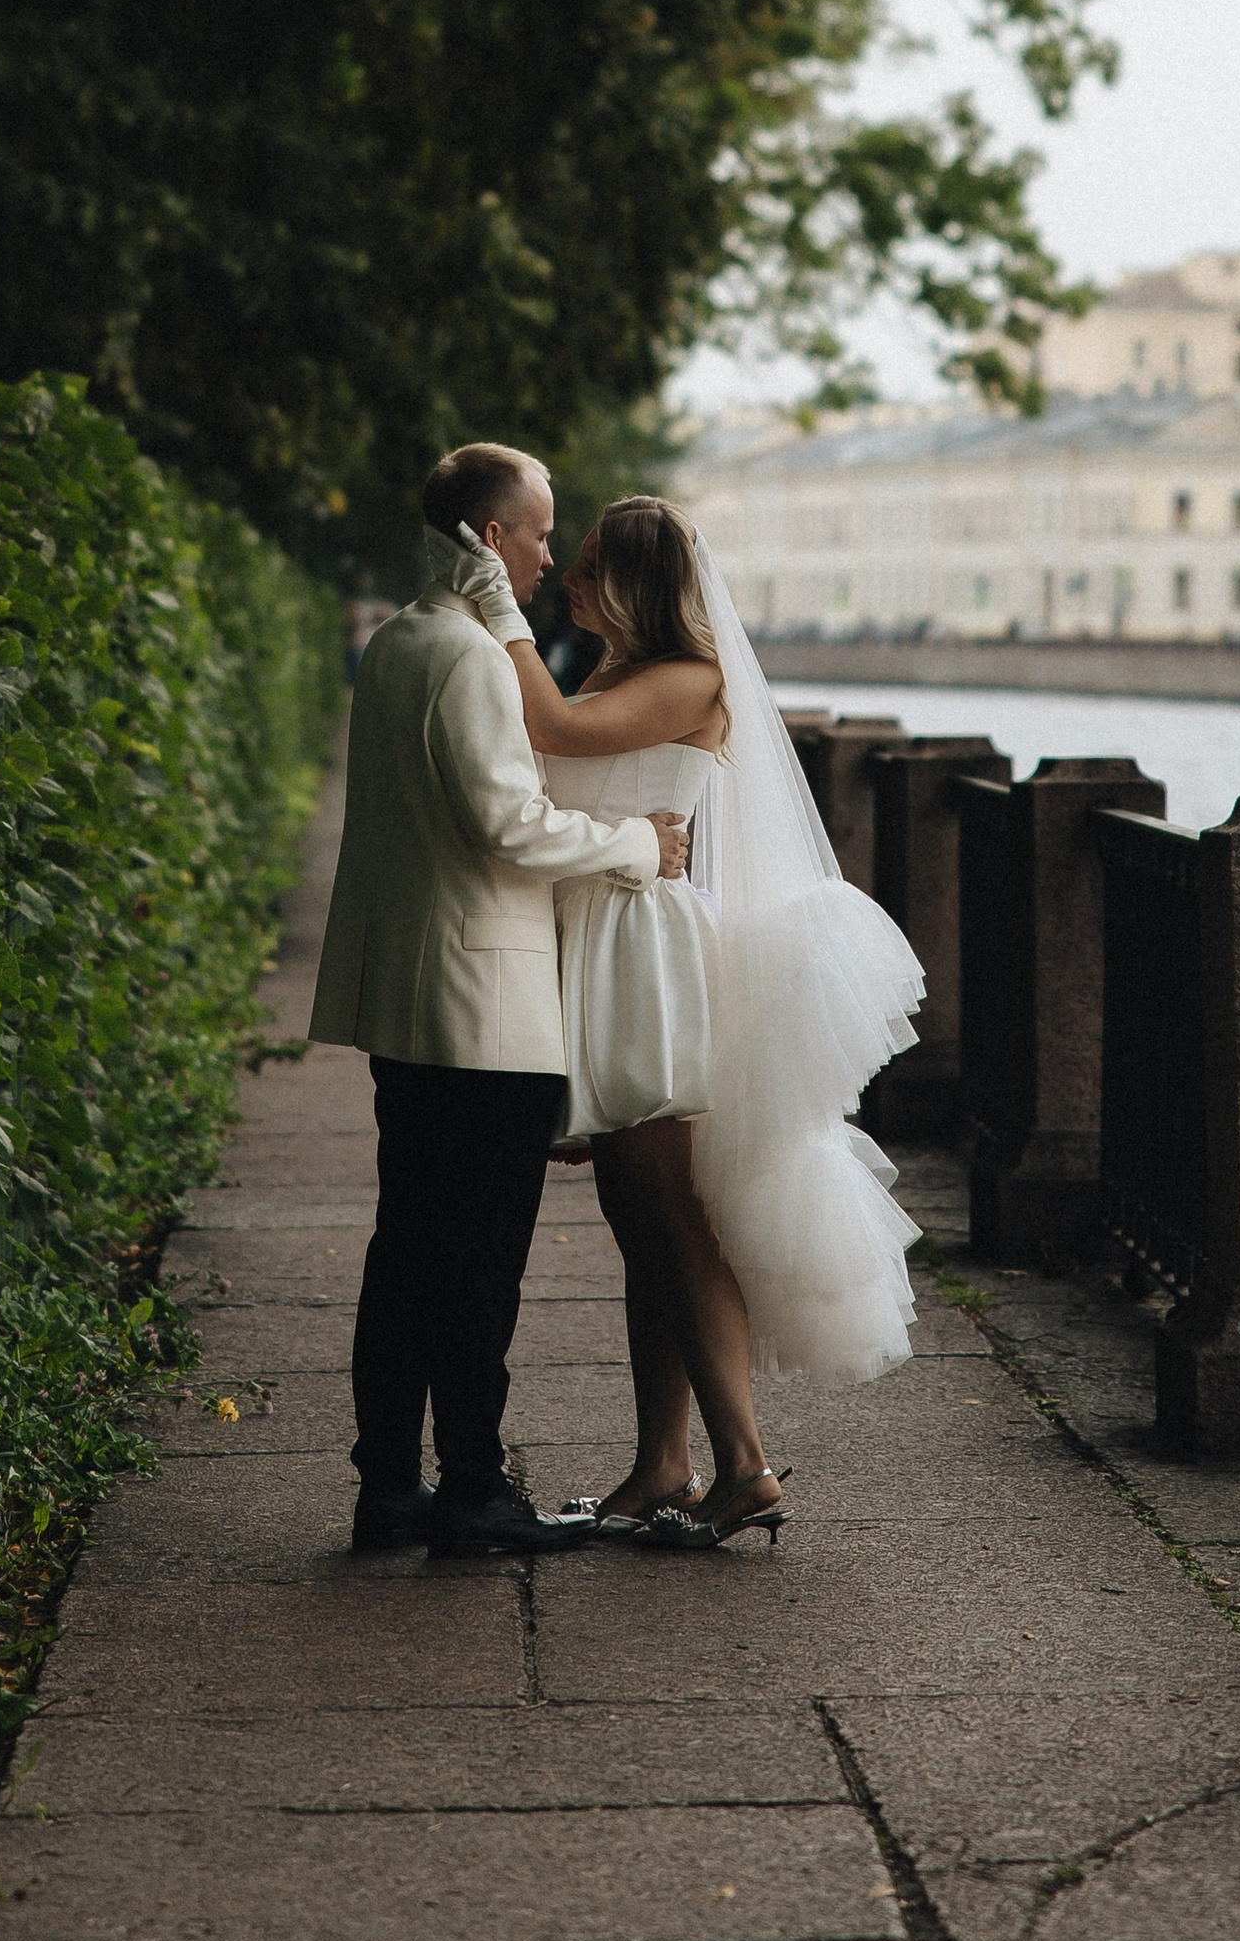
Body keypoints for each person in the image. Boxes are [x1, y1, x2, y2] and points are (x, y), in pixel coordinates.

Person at [480, 495, 926, 1552]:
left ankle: (743, 1464)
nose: (574, 581)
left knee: (674, 1220)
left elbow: (554, 734)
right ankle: (661, 1465)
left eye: (591, 566)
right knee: (642, 1225)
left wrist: (492, 604)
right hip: (600, 937)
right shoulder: (609, 669)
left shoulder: (686, 679)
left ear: (638, 583)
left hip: (641, 949)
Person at [309, 443, 690, 1558]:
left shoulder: (395, 641)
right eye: (532, 531)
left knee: (407, 1253)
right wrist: (639, 846)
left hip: (414, 999)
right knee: (476, 1265)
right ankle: (473, 1485)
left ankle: (388, 1485)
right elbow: (506, 825)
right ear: (485, 535)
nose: (542, 555)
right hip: (481, 1005)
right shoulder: (473, 657)